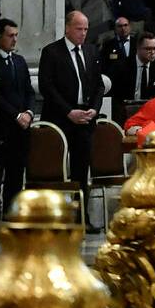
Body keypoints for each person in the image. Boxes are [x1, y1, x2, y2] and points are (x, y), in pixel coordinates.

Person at [38, 10, 103, 188]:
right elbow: (47, 87)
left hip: (85, 118)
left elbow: (99, 85)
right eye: (79, 28)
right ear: (67, 28)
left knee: (82, 170)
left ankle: (81, 213)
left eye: (86, 29)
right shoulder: (51, 52)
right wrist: (68, 111)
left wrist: (95, 109)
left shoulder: (91, 51)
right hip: (61, 117)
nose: (83, 33)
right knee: (54, 168)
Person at [0, 19, 35, 211]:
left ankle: (14, 213)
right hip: (2, 127)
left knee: (17, 175)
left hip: (22, 129)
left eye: (16, 35)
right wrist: (16, 115)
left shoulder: (19, 61)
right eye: (10, 35)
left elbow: (29, 91)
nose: (14, 40)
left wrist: (28, 112)